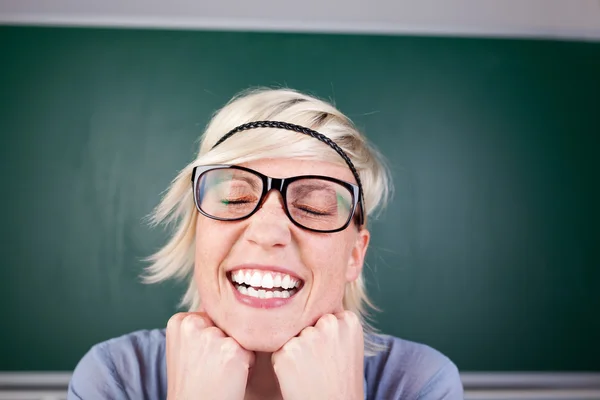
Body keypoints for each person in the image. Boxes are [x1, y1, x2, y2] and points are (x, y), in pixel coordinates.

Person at [67, 88, 463, 399]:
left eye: (315, 207)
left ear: (354, 255)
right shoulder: (115, 377)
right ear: (196, 234)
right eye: (235, 199)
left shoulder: (418, 383)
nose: (268, 232)